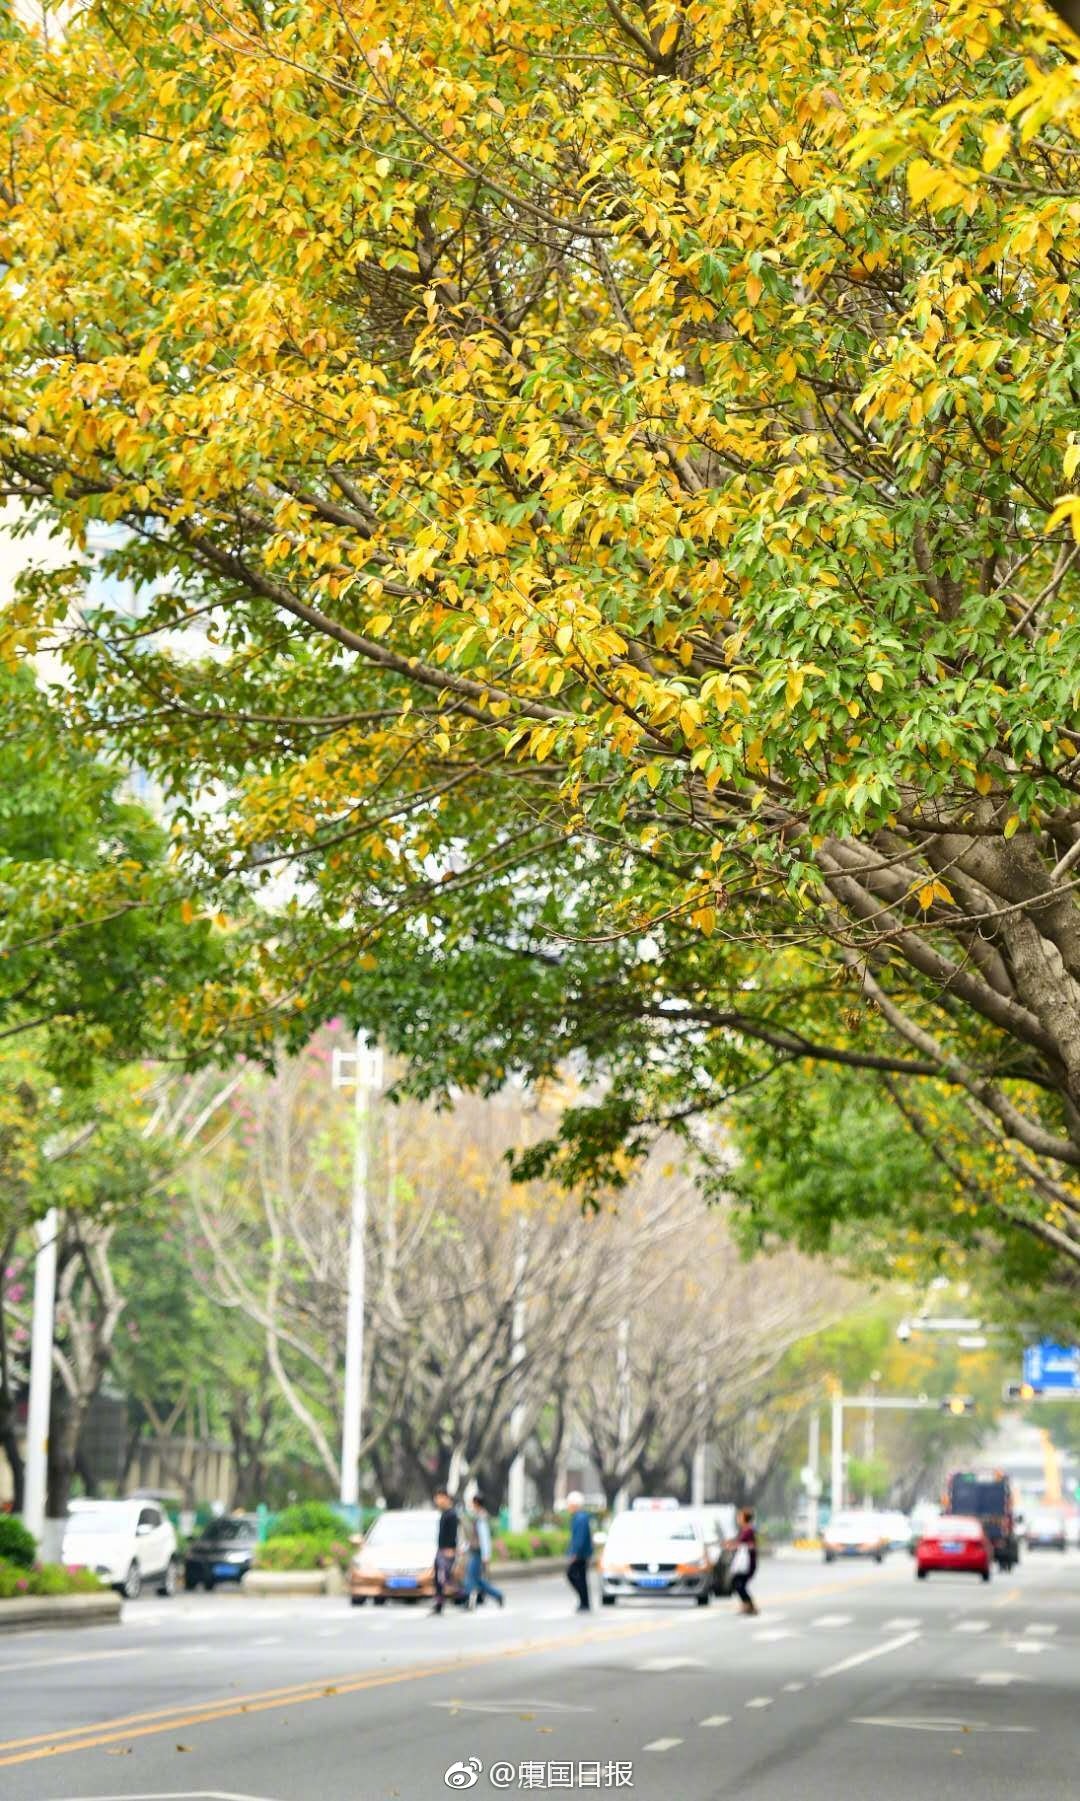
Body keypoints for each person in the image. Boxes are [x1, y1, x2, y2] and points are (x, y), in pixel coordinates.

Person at [463, 1493, 505, 1610]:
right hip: (475, 1551)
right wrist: (464, 1548)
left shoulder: (481, 1517)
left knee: (470, 1577)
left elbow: (484, 1538)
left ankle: (470, 1600)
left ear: (476, 1503)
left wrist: (486, 1556)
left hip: (479, 1553)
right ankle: (497, 1595)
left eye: (473, 1502)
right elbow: (473, 1537)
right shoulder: (477, 1516)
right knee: (477, 1579)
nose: (471, 1505)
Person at [431, 1487, 460, 1615]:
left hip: (447, 1551)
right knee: (438, 1579)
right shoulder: (444, 1513)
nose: (437, 1501)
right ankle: (439, 1603)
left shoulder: (452, 1514)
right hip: (440, 1550)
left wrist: (451, 1549)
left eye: (438, 1498)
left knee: (445, 1579)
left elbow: (453, 1534)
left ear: (445, 1497)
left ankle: (464, 1595)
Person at [566, 1490, 593, 1613]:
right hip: (582, 1553)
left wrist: (574, 1553)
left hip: (581, 1554)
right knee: (581, 1578)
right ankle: (584, 1602)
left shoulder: (581, 1518)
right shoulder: (579, 1517)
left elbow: (579, 1538)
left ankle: (584, 1601)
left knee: (573, 1575)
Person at [729, 1506, 758, 1616]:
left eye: (740, 1517)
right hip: (743, 1563)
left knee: (739, 1584)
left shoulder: (749, 1530)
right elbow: (737, 1542)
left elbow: (748, 1545)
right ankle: (747, 1605)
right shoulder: (744, 1530)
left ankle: (750, 1606)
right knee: (738, 1584)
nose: (738, 1519)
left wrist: (736, 1545)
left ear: (745, 1518)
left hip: (748, 1563)